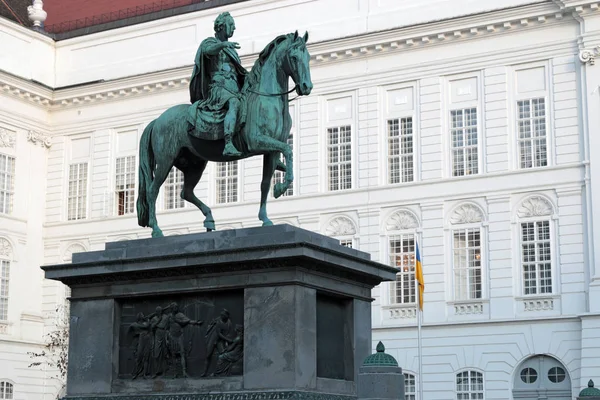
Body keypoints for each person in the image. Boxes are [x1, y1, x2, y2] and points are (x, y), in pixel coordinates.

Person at [189, 11, 247, 157]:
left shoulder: (232, 50)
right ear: (221, 26)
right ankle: (228, 143)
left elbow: (238, 72)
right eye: (231, 25)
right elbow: (208, 51)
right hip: (218, 88)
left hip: (234, 88)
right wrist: (222, 45)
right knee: (233, 103)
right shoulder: (210, 42)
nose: (234, 28)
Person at [167, 302, 202, 378]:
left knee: (182, 353)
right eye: (175, 307)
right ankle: (175, 373)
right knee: (173, 356)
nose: (176, 308)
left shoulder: (180, 315)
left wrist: (196, 322)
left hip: (179, 336)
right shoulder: (169, 316)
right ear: (172, 308)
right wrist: (167, 338)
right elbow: (166, 328)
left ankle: (184, 371)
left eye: (177, 307)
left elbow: (188, 321)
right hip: (172, 337)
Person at [201, 308, 234, 377]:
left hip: (220, 341)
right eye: (221, 315)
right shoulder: (218, 322)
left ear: (227, 316)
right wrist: (228, 340)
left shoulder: (229, 322)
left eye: (223, 315)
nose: (221, 316)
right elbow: (219, 334)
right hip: (213, 339)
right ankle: (204, 372)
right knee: (208, 355)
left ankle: (223, 372)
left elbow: (227, 333)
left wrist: (227, 341)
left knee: (224, 355)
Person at [129, 312, 151, 379]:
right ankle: (135, 373)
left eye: (143, 315)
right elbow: (146, 326)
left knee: (146, 358)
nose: (143, 316)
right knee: (138, 358)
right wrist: (149, 321)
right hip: (140, 343)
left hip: (146, 342)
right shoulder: (136, 325)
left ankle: (145, 374)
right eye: (142, 315)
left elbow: (148, 328)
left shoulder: (145, 323)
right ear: (139, 317)